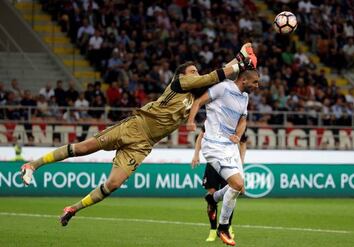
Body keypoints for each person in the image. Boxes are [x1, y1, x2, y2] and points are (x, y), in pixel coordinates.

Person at [21, 43, 257, 227]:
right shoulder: (180, 82)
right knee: (83, 148)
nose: (195, 73)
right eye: (192, 71)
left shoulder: (195, 98)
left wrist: (240, 58)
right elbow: (210, 77)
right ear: (183, 75)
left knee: (113, 184)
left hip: (143, 144)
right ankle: (32, 165)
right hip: (134, 126)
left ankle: (72, 209)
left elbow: (216, 79)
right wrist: (239, 63)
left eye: (196, 71)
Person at [187, 65, 259, 246]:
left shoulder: (245, 97)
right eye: (255, 82)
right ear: (244, 80)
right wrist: (190, 122)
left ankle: (212, 198)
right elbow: (197, 102)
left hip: (230, 146)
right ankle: (223, 227)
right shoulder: (223, 87)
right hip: (213, 144)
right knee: (237, 184)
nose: (257, 85)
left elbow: (243, 120)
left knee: (240, 189)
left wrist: (238, 135)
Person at [191, 126, 247, 242]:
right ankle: (212, 230)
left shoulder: (238, 121)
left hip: (230, 163)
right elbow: (201, 136)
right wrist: (196, 154)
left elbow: (243, 142)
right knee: (212, 191)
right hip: (214, 162)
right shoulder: (214, 117)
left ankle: (228, 225)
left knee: (237, 190)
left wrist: (241, 162)